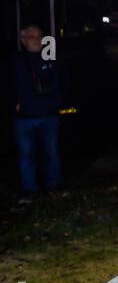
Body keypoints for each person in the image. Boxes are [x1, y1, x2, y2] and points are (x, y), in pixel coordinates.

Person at [8, 23, 68, 203]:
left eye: (40, 36)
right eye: (32, 37)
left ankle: (54, 186)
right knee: (26, 155)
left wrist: (58, 102)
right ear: (23, 40)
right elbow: (7, 86)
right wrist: (14, 104)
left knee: (52, 152)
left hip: (49, 114)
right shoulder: (15, 61)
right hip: (24, 118)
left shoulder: (50, 58)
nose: (37, 40)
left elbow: (61, 82)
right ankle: (29, 190)